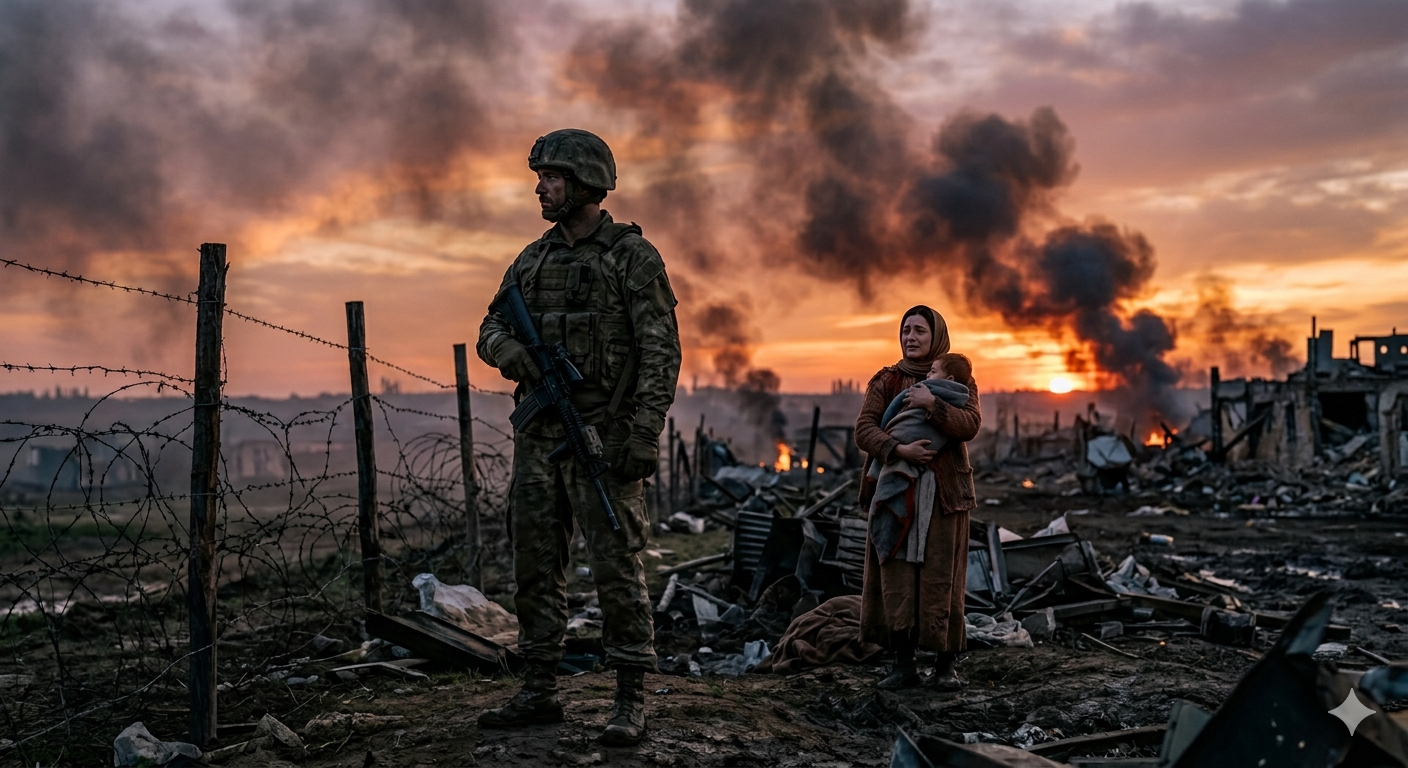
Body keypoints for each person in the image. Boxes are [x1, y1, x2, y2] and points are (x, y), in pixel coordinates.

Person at [476, 129, 682, 745]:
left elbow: (659, 351)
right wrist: (513, 352)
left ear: (585, 182)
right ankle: (539, 688)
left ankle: (630, 696)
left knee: (617, 562)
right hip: (539, 435)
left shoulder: (630, 257)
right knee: (535, 562)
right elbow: (490, 324)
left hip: (605, 436)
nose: (540, 188)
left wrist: (644, 434)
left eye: (552, 178)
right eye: (540, 178)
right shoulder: (532, 260)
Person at [854, 308, 981, 690]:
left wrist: (932, 404)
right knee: (897, 576)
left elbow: (970, 424)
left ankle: (945, 666)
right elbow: (864, 429)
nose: (910, 337)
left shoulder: (959, 379)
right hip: (896, 491)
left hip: (945, 497)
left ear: (936, 335)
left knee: (942, 577)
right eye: (905, 330)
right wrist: (899, 449)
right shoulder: (887, 380)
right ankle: (903, 663)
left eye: (919, 331)